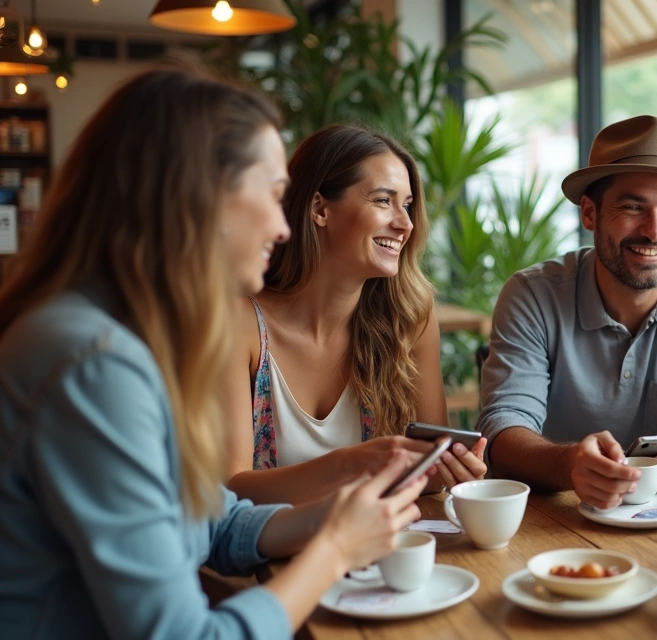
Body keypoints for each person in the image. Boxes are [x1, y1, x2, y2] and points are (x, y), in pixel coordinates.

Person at [0, 68, 430, 639]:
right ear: (199, 198)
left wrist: (325, 516)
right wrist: (333, 549)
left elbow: (207, 520)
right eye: (275, 197)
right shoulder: (94, 362)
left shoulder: (126, 339)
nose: (283, 226)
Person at [478, 115, 657, 509]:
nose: (654, 231)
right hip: (551, 513)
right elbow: (502, 426)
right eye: (633, 207)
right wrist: (569, 465)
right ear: (589, 214)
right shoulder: (533, 294)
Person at [223, 124, 486, 506]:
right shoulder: (239, 322)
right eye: (384, 201)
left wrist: (449, 469)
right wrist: (350, 466)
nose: (405, 223)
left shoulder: (410, 316)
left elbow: (428, 477)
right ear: (319, 209)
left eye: (407, 205)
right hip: (265, 560)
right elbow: (227, 489)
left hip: (377, 551)